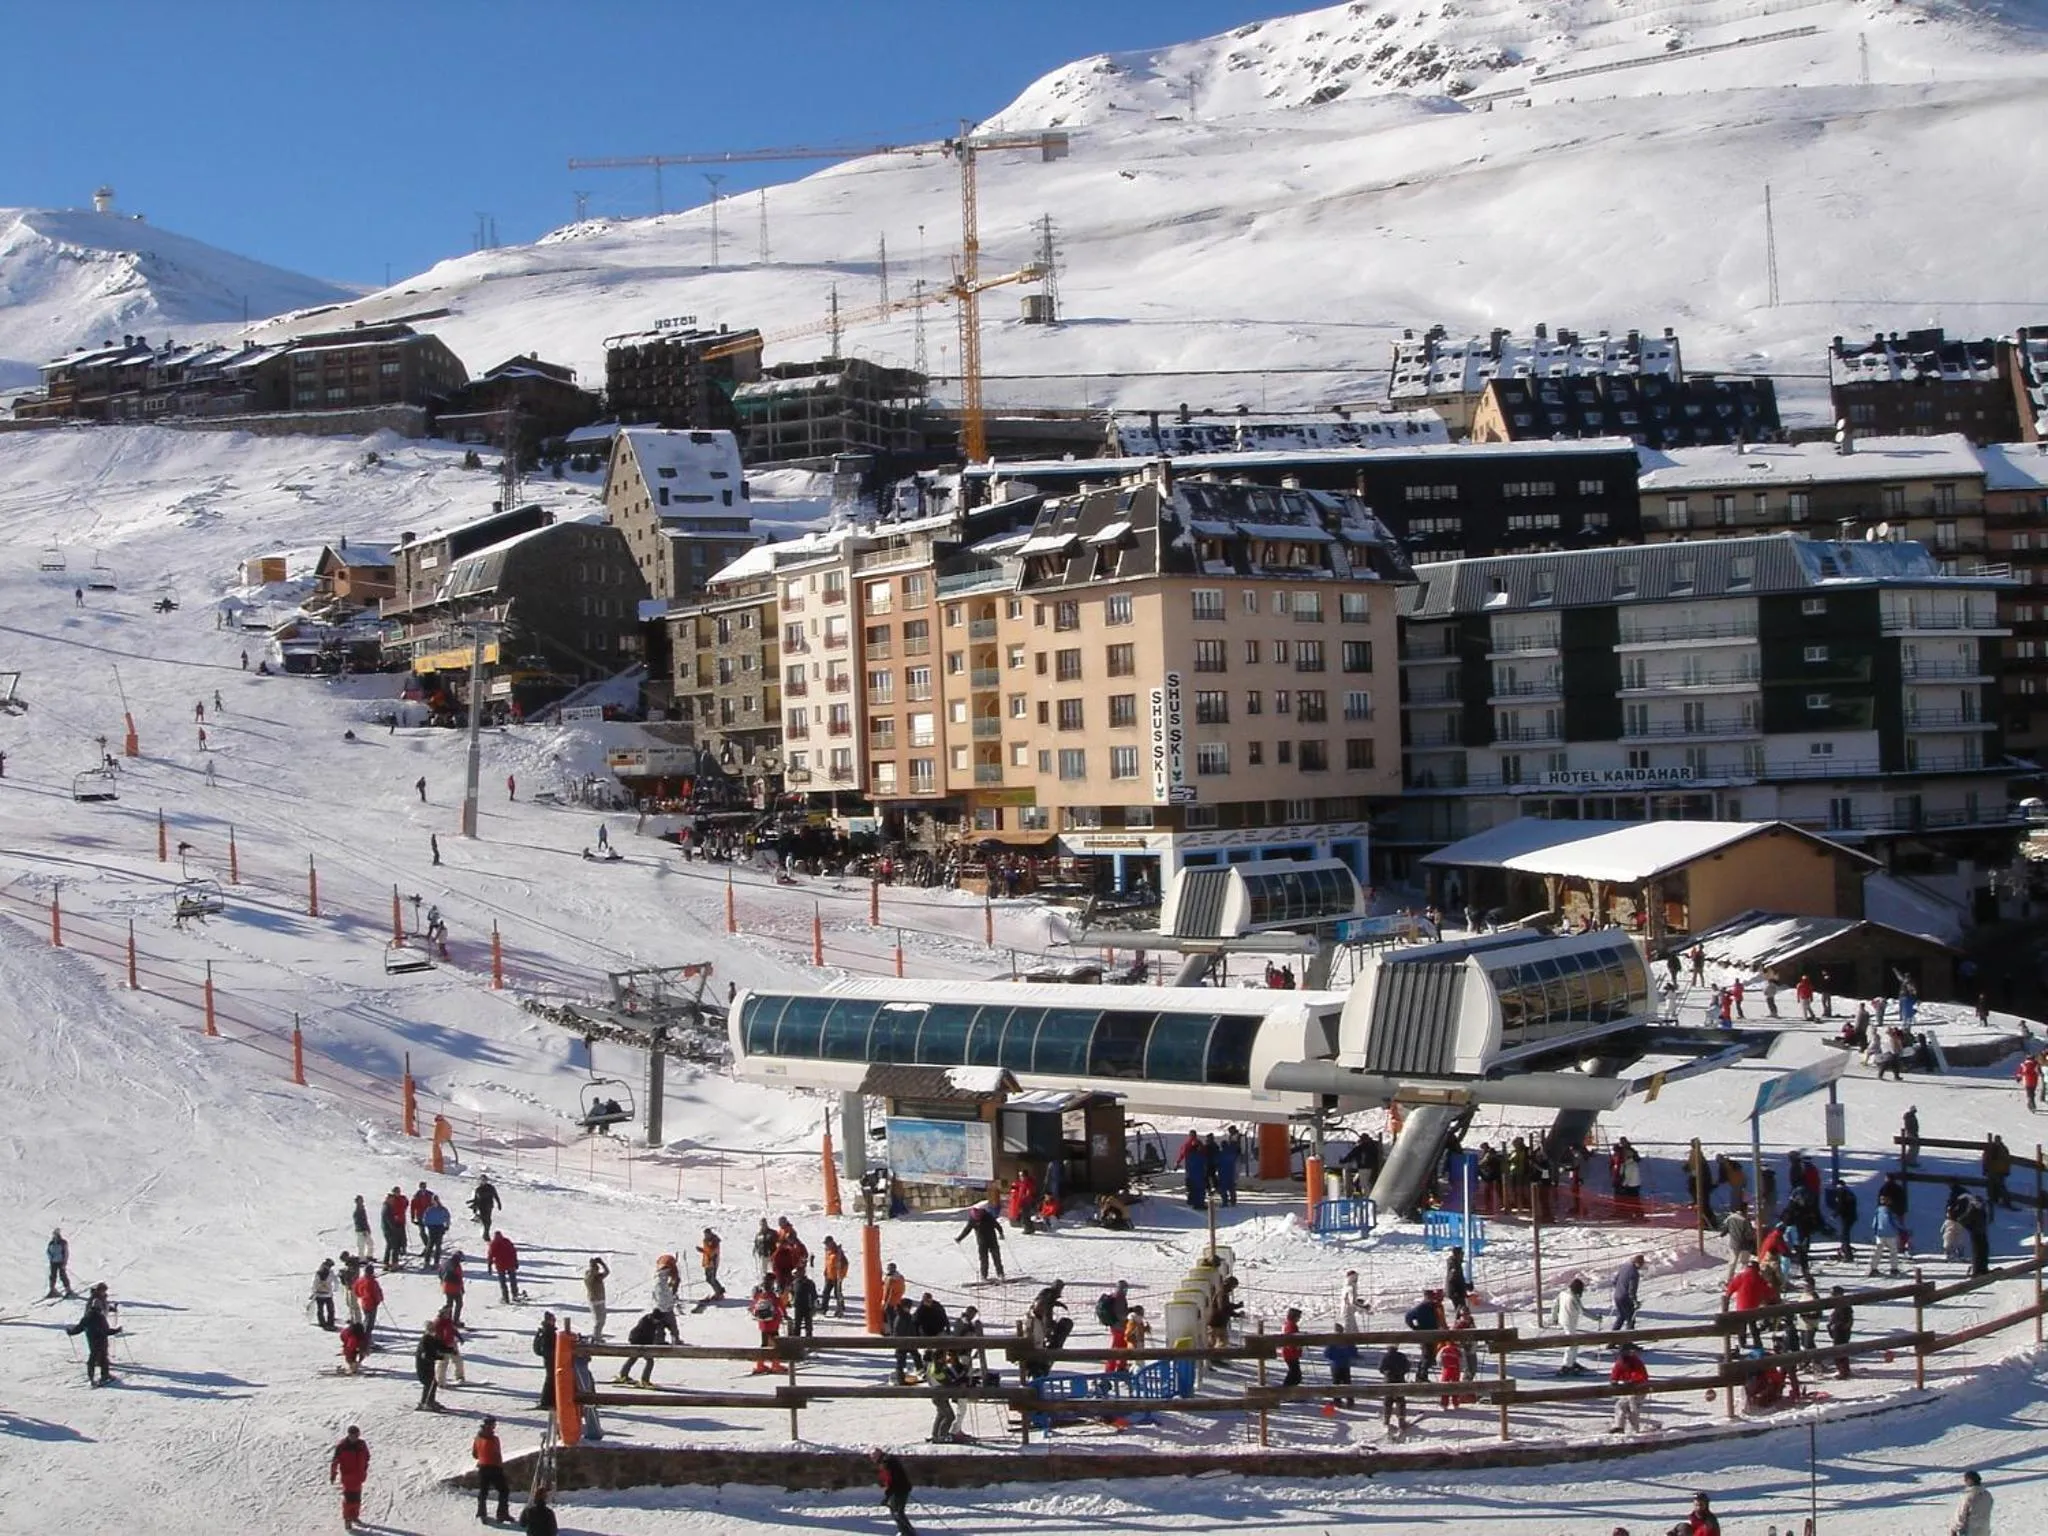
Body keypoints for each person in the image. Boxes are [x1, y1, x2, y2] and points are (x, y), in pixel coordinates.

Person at [66, 1284, 120, 1386]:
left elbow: (80, 1327)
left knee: (93, 1355)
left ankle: (91, 1377)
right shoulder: (100, 1316)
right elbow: (106, 1331)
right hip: (100, 1338)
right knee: (103, 1357)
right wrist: (116, 1330)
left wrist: (71, 1332)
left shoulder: (88, 1316)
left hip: (91, 1337)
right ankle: (105, 1376)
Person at [329, 1425, 371, 1532]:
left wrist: (364, 1469)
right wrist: (333, 1474)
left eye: (357, 1435)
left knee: (357, 1499)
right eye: (353, 1435)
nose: (356, 1437)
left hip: (359, 1478)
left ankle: (354, 1517)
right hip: (348, 1478)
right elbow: (335, 1461)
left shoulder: (362, 1444)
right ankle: (347, 1519)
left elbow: (367, 1457)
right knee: (349, 1501)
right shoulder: (342, 1446)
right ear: (349, 1434)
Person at [1554, 1276, 1598, 1375]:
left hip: (1563, 1320)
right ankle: (1567, 1365)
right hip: (1570, 1321)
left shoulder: (1563, 1293)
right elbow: (1583, 1311)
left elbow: (1556, 1305)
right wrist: (1596, 1318)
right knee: (1572, 1344)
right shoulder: (1574, 1297)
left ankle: (1571, 1362)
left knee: (1574, 1343)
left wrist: (1554, 1317)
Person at [473, 1416, 512, 1524]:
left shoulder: (477, 1438)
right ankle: (502, 1514)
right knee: (504, 1491)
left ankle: (482, 1513)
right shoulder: (493, 1439)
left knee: (483, 1492)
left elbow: (475, 1454)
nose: (494, 1427)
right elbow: (495, 1454)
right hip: (494, 1468)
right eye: (493, 1425)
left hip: (482, 1467)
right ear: (488, 1425)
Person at [956, 1200, 1006, 1280]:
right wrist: (959, 1238)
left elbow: (997, 1225)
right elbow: (967, 1229)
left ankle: (1000, 1274)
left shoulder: (988, 1216)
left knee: (996, 1258)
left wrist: (1001, 1233)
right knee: (984, 1259)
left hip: (992, 1240)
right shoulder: (973, 1219)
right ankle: (984, 1276)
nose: (977, 1218)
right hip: (982, 1242)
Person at [872, 1446, 916, 1536]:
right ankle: (905, 1531)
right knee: (896, 1511)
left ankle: (908, 1533)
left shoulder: (886, 1463)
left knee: (897, 1512)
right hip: (900, 1488)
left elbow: (891, 1480)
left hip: (899, 1490)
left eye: (873, 1458)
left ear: (877, 1456)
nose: (873, 1461)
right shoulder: (888, 1460)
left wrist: (887, 1495)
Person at [1610, 1339, 1649, 1433]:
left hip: (1639, 1388)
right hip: (1628, 1388)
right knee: (1620, 1405)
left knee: (1633, 1407)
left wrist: (1633, 1381)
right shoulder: (1621, 1361)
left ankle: (1634, 1429)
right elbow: (1616, 1371)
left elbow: (1641, 1374)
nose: (1631, 1353)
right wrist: (1614, 1380)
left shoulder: (1636, 1361)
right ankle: (1619, 1426)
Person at [614, 1310, 662, 1385]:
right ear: (653, 1317)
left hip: (644, 1343)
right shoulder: (645, 1322)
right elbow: (646, 1336)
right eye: (656, 1320)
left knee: (634, 1358)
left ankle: (624, 1375)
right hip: (636, 1340)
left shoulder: (655, 1323)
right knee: (648, 1360)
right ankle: (644, 1380)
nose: (657, 1322)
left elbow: (657, 1335)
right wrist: (650, 1346)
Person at [415, 1320, 454, 1411]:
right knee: (429, 1383)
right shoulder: (425, 1340)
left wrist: (450, 1350)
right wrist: (439, 1357)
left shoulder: (432, 1338)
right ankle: (427, 1402)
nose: (433, 1331)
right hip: (423, 1366)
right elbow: (426, 1355)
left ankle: (428, 1401)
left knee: (432, 1383)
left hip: (429, 1365)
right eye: (431, 1329)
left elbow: (440, 1346)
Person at [1377, 1341, 1412, 1438]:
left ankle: (1386, 1419)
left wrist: (1386, 1373)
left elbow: (1380, 1368)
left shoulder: (1385, 1356)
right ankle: (1401, 1421)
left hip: (1388, 1381)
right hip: (1400, 1380)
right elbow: (1407, 1368)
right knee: (1400, 1401)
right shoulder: (1402, 1356)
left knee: (1388, 1400)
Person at [1948, 1469, 1992, 1536]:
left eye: (1965, 1480)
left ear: (1970, 1481)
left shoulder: (1968, 1496)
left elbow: (1961, 1515)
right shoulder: (1987, 1495)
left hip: (1969, 1532)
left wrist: (1954, 1529)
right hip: (1984, 1531)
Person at [1611, 1253, 1645, 1334]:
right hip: (1625, 1298)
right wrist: (1635, 1301)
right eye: (1641, 1263)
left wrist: (1620, 1289)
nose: (1642, 1266)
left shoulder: (1624, 1267)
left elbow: (1614, 1281)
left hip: (1617, 1296)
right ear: (1638, 1263)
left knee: (1621, 1317)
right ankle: (1627, 1342)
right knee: (1630, 1319)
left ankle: (1611, 1340)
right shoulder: (1634, 1273)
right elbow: (1632, 1290)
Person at [353, 1261, 384, 1344]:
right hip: (372, 1304)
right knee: (369, 1324)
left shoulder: (360, 1280)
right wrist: (379, 1300)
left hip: (364, 1303)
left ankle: (364, 1339)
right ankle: (366, 1341)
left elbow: (356, 1290)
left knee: (366, 1320)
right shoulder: (372, 1282)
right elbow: (375, 1293)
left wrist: (361, 1296)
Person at [533, 1311, 558, 1409]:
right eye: (552, 1320)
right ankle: (546, 1401)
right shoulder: (548, 1332)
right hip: (550, 1359)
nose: (554, 1321)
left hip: (549, 1358)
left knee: (551, 1378)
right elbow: (547, 1347)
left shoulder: (547, 1331)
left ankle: (549, 1400)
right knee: (550, 1378)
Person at [488, 1231, 521, 1302]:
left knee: (503, 1282)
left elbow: (490, 1255)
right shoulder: (507, 1241)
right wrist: (516, 1262)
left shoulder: (493, 1244)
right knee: (513, 1280)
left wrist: (489, 1266)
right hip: (510, 1264)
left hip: (500, 1265)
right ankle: (515, 1295)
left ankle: (505, 1297)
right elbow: (513, 1252)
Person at [821, 1236, 849, 1317]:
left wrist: (841, 1275)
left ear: (831, 1243)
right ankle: (824, 1308)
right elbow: (827, 1263)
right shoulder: (828, 1251)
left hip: (837, 1277)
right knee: (825, 1292)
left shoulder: (838, 1253)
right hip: (829, 1276)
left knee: (837, 1293)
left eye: (827, 1243)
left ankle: (840, 1307)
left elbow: (845, 1264)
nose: (826, 1245)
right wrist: (826, 1271)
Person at [583, 1256, 610, 1337]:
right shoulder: (588, 1278)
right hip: (595, 1302)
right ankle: (596, 1337)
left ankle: (598, 1335)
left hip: (601, 1301)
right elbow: (591, 1275)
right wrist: (592, 1265)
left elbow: (607, 1272)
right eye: (596, 1269)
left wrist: (602, 1263)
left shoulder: (598, 1277)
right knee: (598, 1321)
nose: (598, 1271)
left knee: (602, 1321)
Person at [697, 1228, 726, 1302]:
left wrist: (703, 1250)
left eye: (707, 1234)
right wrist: (702, 1250)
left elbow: (712, 1252)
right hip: (707, 1262)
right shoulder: (706, 1241)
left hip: (712, 1262)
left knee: (712, 1279)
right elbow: (707, 1251)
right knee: (709, 1279)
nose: (705, 1236)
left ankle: (719, 1293)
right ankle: (719, 1291)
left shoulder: (714, 1241)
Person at [1279, 1306, 1304, 1388]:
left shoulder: (1288, 1324)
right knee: (1295, 1374)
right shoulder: (1291, 1325)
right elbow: (1291, 1339)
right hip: (1291, 1353)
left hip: (1290, 1353)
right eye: (1298, 1317)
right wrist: (1297, 1346)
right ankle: (1286, 1391)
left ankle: (1290, 1391)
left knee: (1295, 1373)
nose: (1299, 1319)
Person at [46, 1228, 74, 1299]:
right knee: (52, 1276)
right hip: (53, 1262)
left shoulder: (63, 1242)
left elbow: (66, 1252)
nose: (55, 1236)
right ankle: (52, 1290)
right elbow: (48, 1251)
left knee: (62, 1276)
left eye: (56, 1234)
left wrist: (64, 1262)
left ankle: (68, 1290)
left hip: (60, 1262)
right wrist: (51, 1258)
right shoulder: (51, 1243)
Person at [312, 1258, 338, 1329]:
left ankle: (322, 1322)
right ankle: (330, 1323)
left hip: (319, 1294)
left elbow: (315, 1283)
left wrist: (314, 1292)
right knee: (330, 1310)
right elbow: (336, 1282)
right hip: (328, 1294)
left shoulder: (318, 1273)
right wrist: (334, 1289)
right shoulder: (331, 1273)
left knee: (320, 1310)